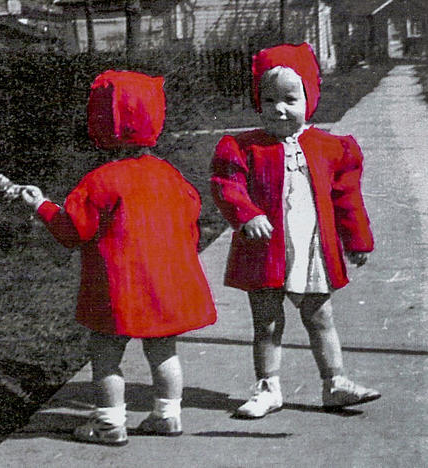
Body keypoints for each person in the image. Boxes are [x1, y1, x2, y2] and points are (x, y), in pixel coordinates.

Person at [20, 70, 217, 445]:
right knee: (164, 351)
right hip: (163, 287)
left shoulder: (99, 181)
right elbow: (191, 222)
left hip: (118, 288)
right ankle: (167, 414)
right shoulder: (170, 176)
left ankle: (110, 423)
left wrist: (42, 206)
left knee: (105, 352)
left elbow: (72, 230)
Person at [210, 42, 380, 419]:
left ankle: (335, 382)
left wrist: (357, 241)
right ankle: (268, 387)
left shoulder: (331, 147)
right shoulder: (243, 147)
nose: (279, 108)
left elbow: (346, 198)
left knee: (321, 317)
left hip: (310, 249)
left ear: (310, 97)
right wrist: (246, 214)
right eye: (268, 100)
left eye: (289, 98)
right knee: (267, 323)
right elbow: (227, 184)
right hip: (265, 249)